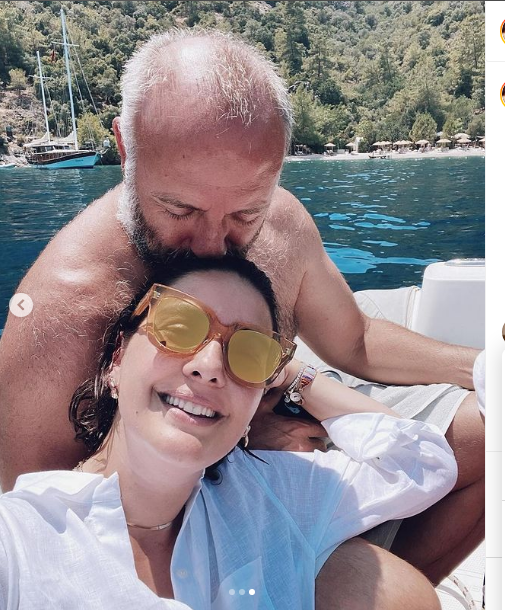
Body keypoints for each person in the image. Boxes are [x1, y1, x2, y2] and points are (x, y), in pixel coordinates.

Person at [0, 29, 483, 587]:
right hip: (205, 502)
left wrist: (483, 367)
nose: (212, 245)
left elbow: (355, 341)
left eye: (245, 214)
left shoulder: (282, 220)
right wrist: (242, 447)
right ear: (126, 151)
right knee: (376, 586)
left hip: (293, 418)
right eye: (180, 209)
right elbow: (56, 536)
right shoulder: (67, 306)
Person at [0, 255, 455, 609]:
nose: (210, 366)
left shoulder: (270, 491)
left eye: (251, 354)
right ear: (117, 359)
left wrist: (296, 375)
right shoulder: (22, 541)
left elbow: (421, 461)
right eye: (178, 328)